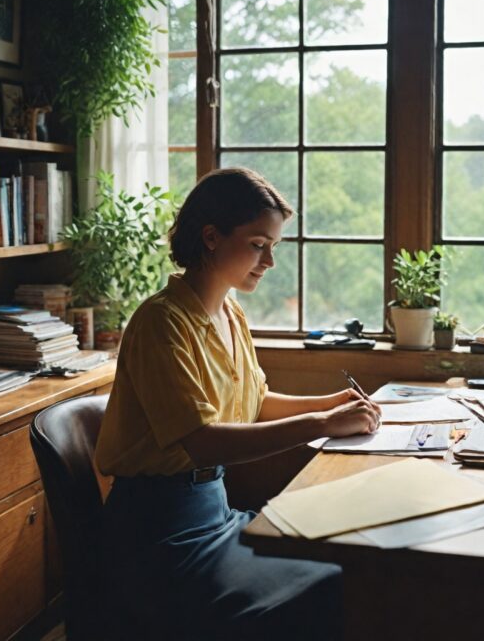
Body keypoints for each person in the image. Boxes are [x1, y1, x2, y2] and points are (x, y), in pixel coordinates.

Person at [95, 167, 381, 640]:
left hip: (217, 514)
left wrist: (334, 403)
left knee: (348, 557)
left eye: (273, 247)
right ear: (211, 237)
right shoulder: (161, 324)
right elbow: (203, 442)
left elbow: (255, 401)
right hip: (160, 540)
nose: (268, 261)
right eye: (257, 244)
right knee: (335, 584)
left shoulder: (230, 312)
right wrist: (322, 421)